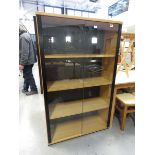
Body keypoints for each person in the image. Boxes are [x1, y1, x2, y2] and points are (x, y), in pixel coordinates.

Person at [19, 25, 38, 95]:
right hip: (30, 60)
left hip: (27, 61)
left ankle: (34, 89)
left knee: (28, 75)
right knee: (27, 74)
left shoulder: (23, 37)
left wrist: (22, 63)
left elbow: (24, 51)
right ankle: (25, 88)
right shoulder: (26, 35)